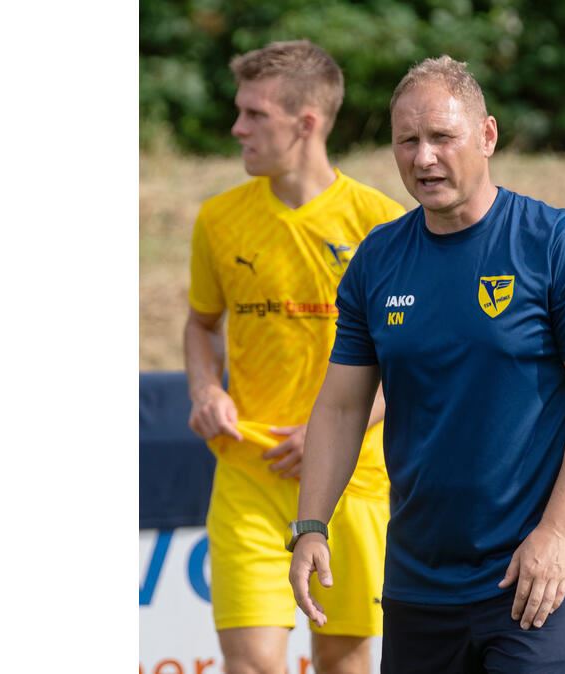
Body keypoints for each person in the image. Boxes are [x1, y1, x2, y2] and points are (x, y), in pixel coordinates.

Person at [287, 56, 565, 674]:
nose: (423, 158)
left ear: (488, 135)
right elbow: (342, 406)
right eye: (407, 141)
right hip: (420, 584)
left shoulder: (555, 245)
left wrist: (555, 534)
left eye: (442, 137)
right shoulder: (377, 260)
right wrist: (311, 523)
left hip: (535, 575)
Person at [184, 40, 405, 674]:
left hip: (350, 483)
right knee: (249, 664)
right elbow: (200, 326)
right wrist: (205, 389)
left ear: (306, 123)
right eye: (239, 112)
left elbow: (411, 363)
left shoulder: (381, 224)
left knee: (342, 663)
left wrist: (332, 432)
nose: (237, 128)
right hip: (249, 476)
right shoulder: (218, 219)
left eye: (255, 114)